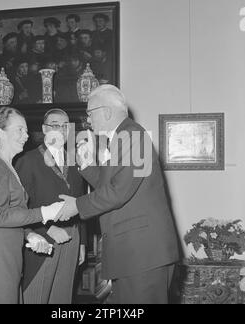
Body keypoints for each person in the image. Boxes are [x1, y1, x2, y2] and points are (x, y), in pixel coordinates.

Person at [54, 85, 180, 304]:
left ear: (107, 111)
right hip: (135, 255)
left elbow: (119, 191)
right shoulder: (124, 137)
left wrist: (76, 206)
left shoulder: (133, 135)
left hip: (142, 254)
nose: (88, 121)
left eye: (90, 113)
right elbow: (111, 184)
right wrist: (85, 165)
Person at [0, 106, 64, 304]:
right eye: (20, 129)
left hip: (6, 253)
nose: (26, 135)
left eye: (26, 130)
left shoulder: (7, 165)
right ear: (0, 132)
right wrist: (45, 212)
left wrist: (30, 234)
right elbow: (0, 215)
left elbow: (12, 212)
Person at [15, 108, 86, 304]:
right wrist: (46, 228)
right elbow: (19, 207)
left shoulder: (75, 161)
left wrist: (82, 242)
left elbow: (81, 202)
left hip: (72, 237)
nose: (61, 130)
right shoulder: (27, 160)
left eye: (65, 126)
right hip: (43, 240)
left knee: (62, 298)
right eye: (56, 125)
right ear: (45, 129)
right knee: (35, 297)